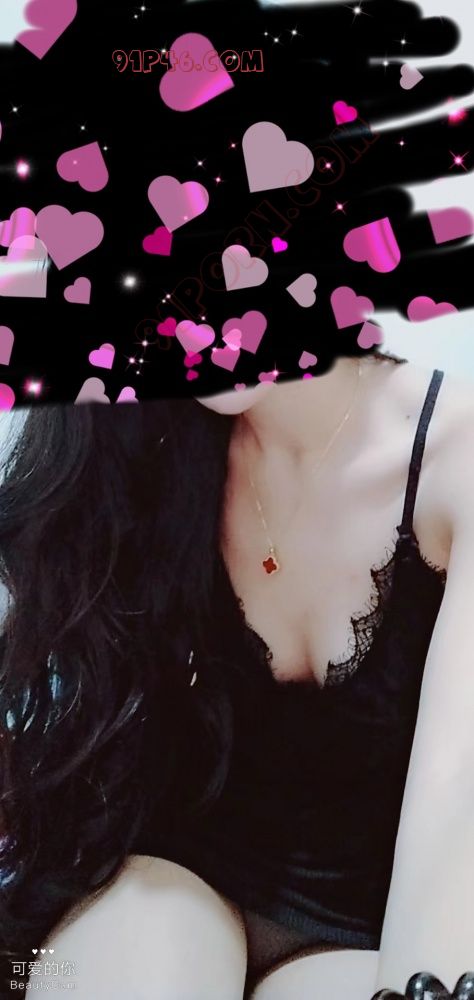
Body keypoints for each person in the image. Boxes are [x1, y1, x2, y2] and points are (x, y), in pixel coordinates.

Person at [2, 348, 474, 999]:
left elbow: (456, 814)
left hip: (364, 938)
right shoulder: (150, 435)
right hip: (166, 886)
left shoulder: (458, 455)